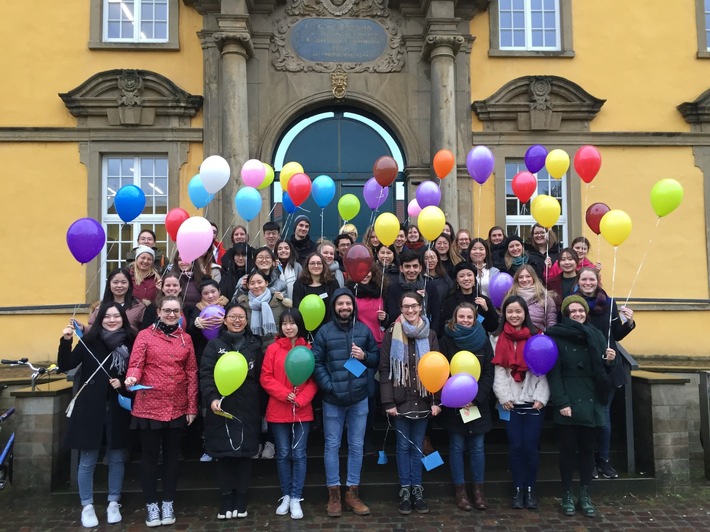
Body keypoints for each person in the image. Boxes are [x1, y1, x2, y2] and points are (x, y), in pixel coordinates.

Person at [58, 302, 135, 528]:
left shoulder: (130, 342)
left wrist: (122, 382)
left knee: (117, 457)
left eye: (116, 316)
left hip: (117, 405)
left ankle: (113, 501)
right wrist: (65, 340)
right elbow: (66, 364)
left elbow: (137, 371)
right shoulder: (90, 341)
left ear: (123, 318)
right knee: (88, 459)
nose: (112, 320)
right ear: (100, 319)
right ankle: (87, 505)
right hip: (90, 407)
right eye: (107, 316)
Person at [125, 295, 198, 527]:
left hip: (176, 406)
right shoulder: (145, 336)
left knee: (172, 458)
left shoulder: (185, 339)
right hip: (149, 406)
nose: (171, 314)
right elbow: (136, 362)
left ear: (180, 314)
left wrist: (191, 406)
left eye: (175, 311)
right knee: (149, 458)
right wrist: (132, 376)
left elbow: (191, 374)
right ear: (158, 311)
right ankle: (151, 505)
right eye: (167, 310)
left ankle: (168, 501)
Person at [546, 295, 617, 518]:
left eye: (581, 311)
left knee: (587, 451)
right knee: (567, 452)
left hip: (591, 398)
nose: (577, 314)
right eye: (572, 311)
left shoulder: (595, 335)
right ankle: (566, 494)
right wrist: (562, 402)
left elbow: (603, 371)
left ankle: (585, 495)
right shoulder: (556, 336)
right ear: (566, 314)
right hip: (568, 398)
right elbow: (554, 373)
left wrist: (610, 361)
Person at [311, 288, 379, 517]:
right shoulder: (324, 332)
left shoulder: (363, 330)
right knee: (331, 445)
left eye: (348, 304)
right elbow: (316, 362)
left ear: (353, 306)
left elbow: (375, 359)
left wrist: (365, 357)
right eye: (340, 304)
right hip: (332, 399)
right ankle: (334, 495)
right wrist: (329, 387)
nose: (344, 308)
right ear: (334, 307)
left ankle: (352, 492)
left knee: (357, 445)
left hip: (359, 398)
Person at [199, 303, 263, 520]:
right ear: (225, 320)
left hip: (248, 407)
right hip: (222, 407)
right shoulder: (214, 345)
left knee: (245, 455)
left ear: (247, 321)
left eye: (242, 317)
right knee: (224, 455)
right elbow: (206, 374)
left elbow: (261, 377)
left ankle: (241, 498)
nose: (237, 320)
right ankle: (226, 499)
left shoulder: (254, 345)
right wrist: (212, 398)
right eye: (233, 317)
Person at [380, 292, 440, 515]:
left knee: (417, 447)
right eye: (406, 307)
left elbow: (438, 366)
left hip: (424, 400)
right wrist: (388, 402)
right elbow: (385, 369)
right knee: (403, 447)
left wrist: (436, 400)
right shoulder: (391, 334)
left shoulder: (431, 334)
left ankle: (417, 489)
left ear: (421, 307)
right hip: (400, 400)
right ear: (400, 309)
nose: (410, 310)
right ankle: (405, 490)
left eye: (414, 306)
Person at [574, 266, 636, 479]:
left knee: (604, 417)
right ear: (578, 281)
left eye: (592, 279)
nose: (588, 283)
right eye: (584, 279)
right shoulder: (573, 304)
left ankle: (604, 460)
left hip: (608, 367)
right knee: (586, 419)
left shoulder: (609, 303)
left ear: (597, 280)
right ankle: (588, 460)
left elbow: (616, 334)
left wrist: (629, 322)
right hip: (583, 368)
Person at [491, 295, 549, 511]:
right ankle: (517, 489)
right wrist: (504, 397)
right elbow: (498, 370)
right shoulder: (496, 338)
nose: (514, 315)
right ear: (504, 314)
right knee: (516, 447)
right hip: (510, 404)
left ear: (525, 313)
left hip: (533, 402)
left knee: (530, 448)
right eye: (510, 312)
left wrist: (541, 397)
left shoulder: (537, 337)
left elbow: (543, 372)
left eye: (518, 312)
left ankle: (530, 489)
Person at [260, 308, 318, 520]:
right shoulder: (273, 349)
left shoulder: (308, 348)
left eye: (292, 323)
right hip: (278, 409)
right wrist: (285, 394)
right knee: (283, 453)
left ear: (299, 325)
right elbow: (266, 378)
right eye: (285, 323)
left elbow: (313, 380)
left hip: (302, 409)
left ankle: (296, 496)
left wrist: (302, 399)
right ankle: (285, 494)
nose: (289, 327)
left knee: (299, 454)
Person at [439, 303, 494, 512]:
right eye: (461, 316)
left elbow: (488, 372)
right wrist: (457, 396)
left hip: (477, 404)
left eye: (469, 317)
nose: (465, 320)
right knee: (456, 446)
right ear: (455, 318)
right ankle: (460, 492)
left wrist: (476, 397)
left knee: (478, 448)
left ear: (474, 318)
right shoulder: (447, 339)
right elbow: (442, 370)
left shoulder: (483, 340)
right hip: (455, 404)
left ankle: (478, 492)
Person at [384, 249, 441, 333]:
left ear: (420, 268)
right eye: (407, 266)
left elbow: (436, 314)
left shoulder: (429, 287)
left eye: (415, 266)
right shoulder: (393, 288)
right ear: (401, 268)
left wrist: (431, 333)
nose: (411, 270)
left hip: (426, 333)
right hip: (400, 332)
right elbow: (392, 314)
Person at [236, 270, 292, 348]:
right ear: (248, 285)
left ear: (266, 283)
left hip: (276, 348)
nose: (256, 286)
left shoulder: (279, 303)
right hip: (251, 349)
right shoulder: (243, 304)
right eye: (252, 283)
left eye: (259, 282)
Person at [440, 262, 499, 335]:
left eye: (469, 275)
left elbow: (493, 327)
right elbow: (445, 326)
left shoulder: (484, 300)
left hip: (480, 341)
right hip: (456, 341)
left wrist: (486, 310)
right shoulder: (450, 302)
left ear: (474, 278)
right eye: (461, 276)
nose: (466, 279)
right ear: (457, 280)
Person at [84, 268, 146, 333]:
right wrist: (82, 328)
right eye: (115, 282)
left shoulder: (139, 307)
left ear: (129, 285)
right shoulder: (100, 308)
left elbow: (145, 333)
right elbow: (91, 331)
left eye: (123, 282)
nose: (119, 285)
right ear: (109, 285)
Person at [185, 279, 230, 365]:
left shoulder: (228, 306)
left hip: (226, 347)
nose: (210, 296)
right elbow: (190, 333)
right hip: (204, 350)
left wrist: (226, 322)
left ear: (219, 291)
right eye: (206, 293)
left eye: (213, 292)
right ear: (201, 295)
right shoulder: (197, 309)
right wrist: (196, 325)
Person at [292, 252, 340, 332]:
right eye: (312, 263)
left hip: (330, 329)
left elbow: (337, 305)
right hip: (306, 329)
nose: (316, 266)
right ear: (307, 266)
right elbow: (296, 308)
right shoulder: (299, 284)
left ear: (323, 265)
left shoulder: (332, 282)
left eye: (319, 263)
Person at [505, 265, 558, 332]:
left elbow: (551, 322)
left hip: (536, 338)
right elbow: (502, 319)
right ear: (517, 279)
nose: (524, 280)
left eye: (528, 276)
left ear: (533, 278)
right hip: (513, 337)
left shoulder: (545, 297)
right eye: (521, 277)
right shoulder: (510, 296)